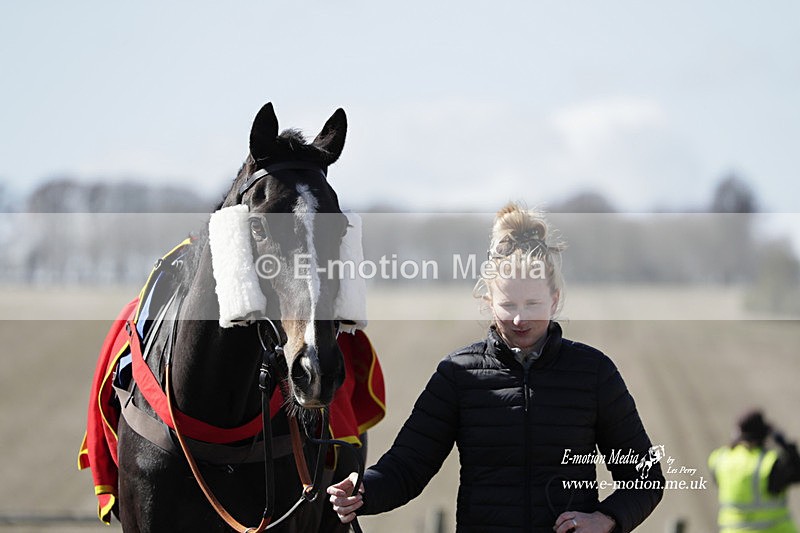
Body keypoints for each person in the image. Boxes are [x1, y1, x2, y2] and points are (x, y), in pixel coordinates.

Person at [327, 203, 664, 532]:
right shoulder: (457, 374)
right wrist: (364, 490)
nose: (519, 319)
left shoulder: (594, 373)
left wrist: (606, 519)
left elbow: (646, 479)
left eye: (532, 304)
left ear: (555, 299)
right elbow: (408, 465)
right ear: (488, 301)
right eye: (507, 305)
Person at [708, 409, 800, 532]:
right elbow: (797, 474)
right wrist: (786, 445)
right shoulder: (769, 464)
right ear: (764, 434)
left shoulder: (719, 459)